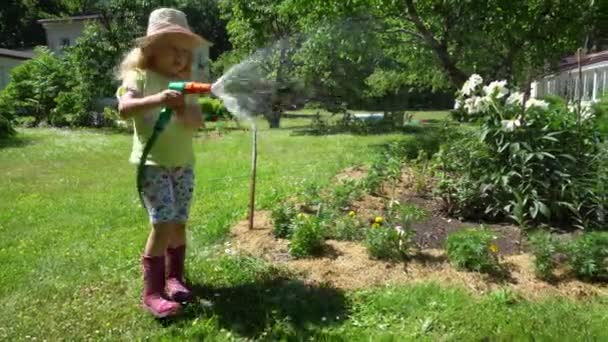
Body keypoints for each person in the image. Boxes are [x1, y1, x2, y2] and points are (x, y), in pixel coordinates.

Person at [116, 8, 204, 318]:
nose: (181, 57)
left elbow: (197, 122)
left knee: (178, 222)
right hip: (153, 163)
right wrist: (159, 100)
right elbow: (125, 108)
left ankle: (175, 279)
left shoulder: (184, 82)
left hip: (183, 164)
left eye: (185, 51)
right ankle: (152, 293)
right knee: (163, 222)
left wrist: (182, 108)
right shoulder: (138, 76)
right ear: (152, 48)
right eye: (174, 48)